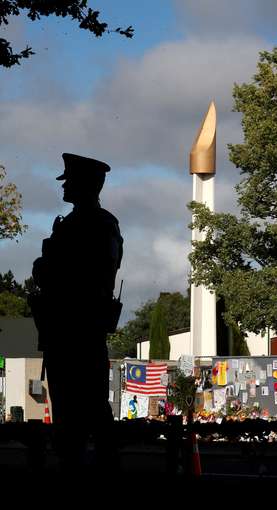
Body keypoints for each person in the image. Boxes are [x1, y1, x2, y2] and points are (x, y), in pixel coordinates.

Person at [30, 153, 123, 472]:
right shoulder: (94, 224)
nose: (65, 186)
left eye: (70, 181)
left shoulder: (90, 226)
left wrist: (46, 264)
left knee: (80, 408)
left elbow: (81, 276)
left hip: (76, 330)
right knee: (81, 407)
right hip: (71, 330)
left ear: (86, 185)